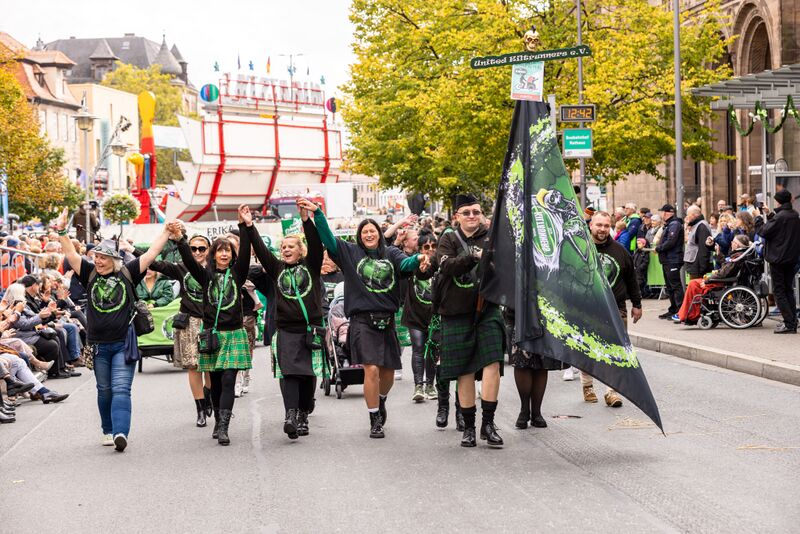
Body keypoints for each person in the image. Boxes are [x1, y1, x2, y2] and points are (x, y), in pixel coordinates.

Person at [55, 207, 173, 453]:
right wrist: (61, 230)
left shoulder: (129, 273)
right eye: (97, 256)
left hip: (123, 343)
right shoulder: (88, 273)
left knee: (121, 388)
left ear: (115, 260)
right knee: (104, 390)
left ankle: (120, 432)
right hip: (98, 345)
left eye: (103, 257)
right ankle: (107, 430)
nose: (97, 260)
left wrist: (165, 232)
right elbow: (71, 253)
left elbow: (152, 254)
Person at [313, 204, 429, 438]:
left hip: (387, 321)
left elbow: (405, 265)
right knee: (372, 369)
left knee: (387, 373)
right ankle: (374, 418)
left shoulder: (391, 253)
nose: (368, 234)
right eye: (364, 231)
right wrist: (317, 213)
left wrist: (418, 258)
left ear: (379, 234)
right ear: (360, 235)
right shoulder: (349, 252)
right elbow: (327, 237)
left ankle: (381, 399)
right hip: (362, 321)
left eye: (372, 231)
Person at [170, 205, 255, 445]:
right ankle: (218, 419)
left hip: (234, 334)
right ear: (213, 255)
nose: (225, 254)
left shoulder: (237, 274)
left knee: (228, 379)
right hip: (212, 335)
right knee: (216, 382)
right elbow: (188, 258)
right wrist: (180, 240)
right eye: (220, 251)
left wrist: (244, 225)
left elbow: (247, 252)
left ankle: (224, 426)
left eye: (228, 251)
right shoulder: (205, 276)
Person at [249, 198, 326, 440]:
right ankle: (291, 416)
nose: (286, 249)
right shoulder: (277, 269)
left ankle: (303, 413)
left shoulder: (311, 265)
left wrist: (306, 220)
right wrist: (250, 227)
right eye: (283, 247)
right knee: (290, 373)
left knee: (307, 374)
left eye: (291, 246)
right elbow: (261, 251)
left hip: (310, 329)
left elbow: (315, 243)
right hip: (286, 331)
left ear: (300, 251)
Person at [436, 194, 505, 448]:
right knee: (464, 370)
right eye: (466, 213)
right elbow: (446, 266)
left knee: (492, 365)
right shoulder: (448, 238)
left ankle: (488, 422)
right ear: (457, 216)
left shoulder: (492, 236)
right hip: (456, 312)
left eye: (476, 212)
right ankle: (469, 428)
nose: (472, 216)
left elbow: (505, 267)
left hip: (487, 309)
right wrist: (475, 257)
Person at [149, 233, 215, 428]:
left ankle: (209, 394)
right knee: (194, 366)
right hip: (189, 322)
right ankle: (200, 409)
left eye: (201, 248)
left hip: (210, 322)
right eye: (193, 248)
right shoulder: (181, 268)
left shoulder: (215, 268)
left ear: (208, 250)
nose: (197, 252)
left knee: (210, 366)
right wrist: (131, 249)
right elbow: (154, 264)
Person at [581, 211, 642, 406]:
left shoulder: (620, 251)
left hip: (616, 307)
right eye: (599, 225)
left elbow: (632, 279)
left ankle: (612, 391)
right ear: (591, 225)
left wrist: (637, 304)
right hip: (587, 307)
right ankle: (587, 385)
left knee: (616, 350)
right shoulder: (581, 248)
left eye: (606, 226)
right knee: (588, 348)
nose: (602, 229)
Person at [677, 235, 751, 324]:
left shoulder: (737, 257)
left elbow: (724, 273)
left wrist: (708, 280)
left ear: (738, 245)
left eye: (733, 242)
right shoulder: (738, 255)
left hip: (723, 282)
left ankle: (689, 315)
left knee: (693, 283)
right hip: (726, 279)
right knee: (694, 282)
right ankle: (687, 313)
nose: (731, 243)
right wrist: (719, 253)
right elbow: (726, 267)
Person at [757, 190, 800, 334]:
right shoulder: (794, 215)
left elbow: (763, 231)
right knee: (788, 289)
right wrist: (769, 214)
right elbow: (778, 228)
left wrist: (758, 218)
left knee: (779, 291)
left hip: (778, 259)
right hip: (791, 258)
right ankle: (792, 321)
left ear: (779, 201)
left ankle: (788, 323)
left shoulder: (781, 217)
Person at [402, 232, 438, 403]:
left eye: (433, 246)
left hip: (435, 316)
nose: (430, 250)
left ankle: (431, 385)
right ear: (420, 249)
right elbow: (394, 254)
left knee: (431, 349)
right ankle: (419, 386)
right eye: (426, 247)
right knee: (418, 348)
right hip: (415, 314)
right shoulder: (414, 263)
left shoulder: (441, 263)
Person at [655, 204, 684, 319]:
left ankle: (680, 310)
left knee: (675, 286)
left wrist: (659, 248)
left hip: (673, 259)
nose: (661, 214)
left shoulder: (674, 224)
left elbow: (671, 242)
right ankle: (673, 309)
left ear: (667, 213)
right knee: (670, 286)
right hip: (667, 259)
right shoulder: (669, 224)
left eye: (662, 212)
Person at [683, 205, 713, 282]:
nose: (687, 218)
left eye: (688, 215)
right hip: (695, 265)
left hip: (698, 267)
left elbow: (704, 248)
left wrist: (702, 268)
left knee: (696, 288)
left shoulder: (701, 226)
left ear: (694, 215)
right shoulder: (697, 225)